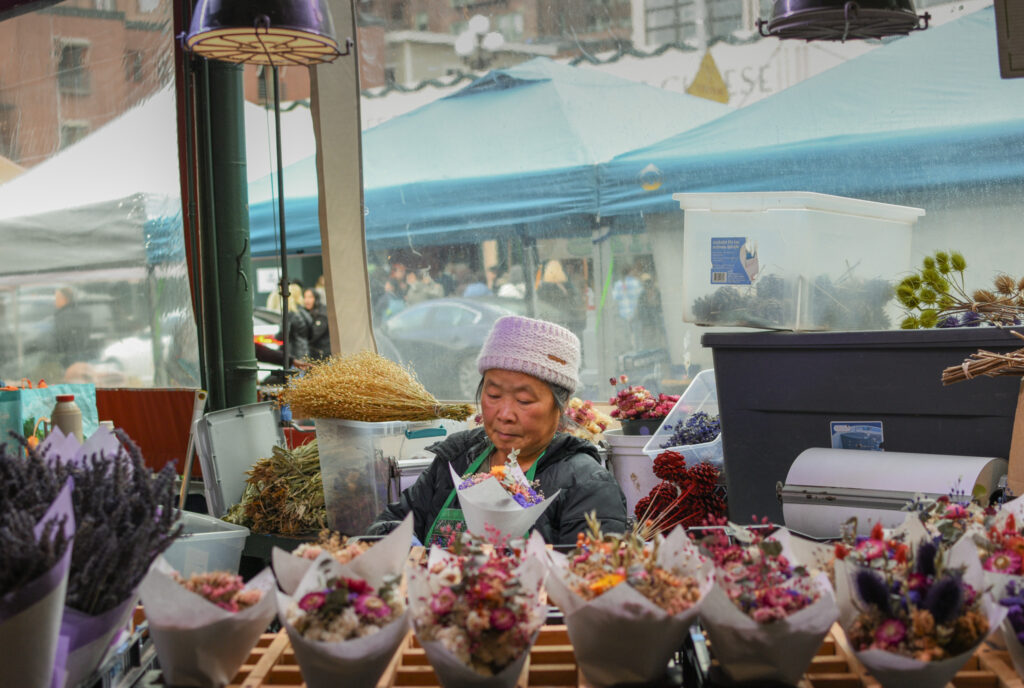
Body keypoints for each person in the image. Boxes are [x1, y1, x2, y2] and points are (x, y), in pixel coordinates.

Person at [366, 314, 628, 546]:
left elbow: (591, 577)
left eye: (524, 401)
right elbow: (386, 527)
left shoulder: (587, 484)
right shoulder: (457, 459)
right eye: (493, 395)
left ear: (560, 407)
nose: (504, 414)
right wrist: (409, 549)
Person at [53, 286, 94, 370]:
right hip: (83, 354)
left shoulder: (62, 316)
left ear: (64, 299)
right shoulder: (83, 314)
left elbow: (62, 339)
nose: (55, 302)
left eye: (57, 298)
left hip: (68, 356)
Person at [303, 287, 331, 360]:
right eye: (305, 297)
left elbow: (314, 335)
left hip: (322, 354)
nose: (307, 300)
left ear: (316, 299)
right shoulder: (306, 313)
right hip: (313, 353)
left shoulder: (322, 314)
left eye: (310, 297)